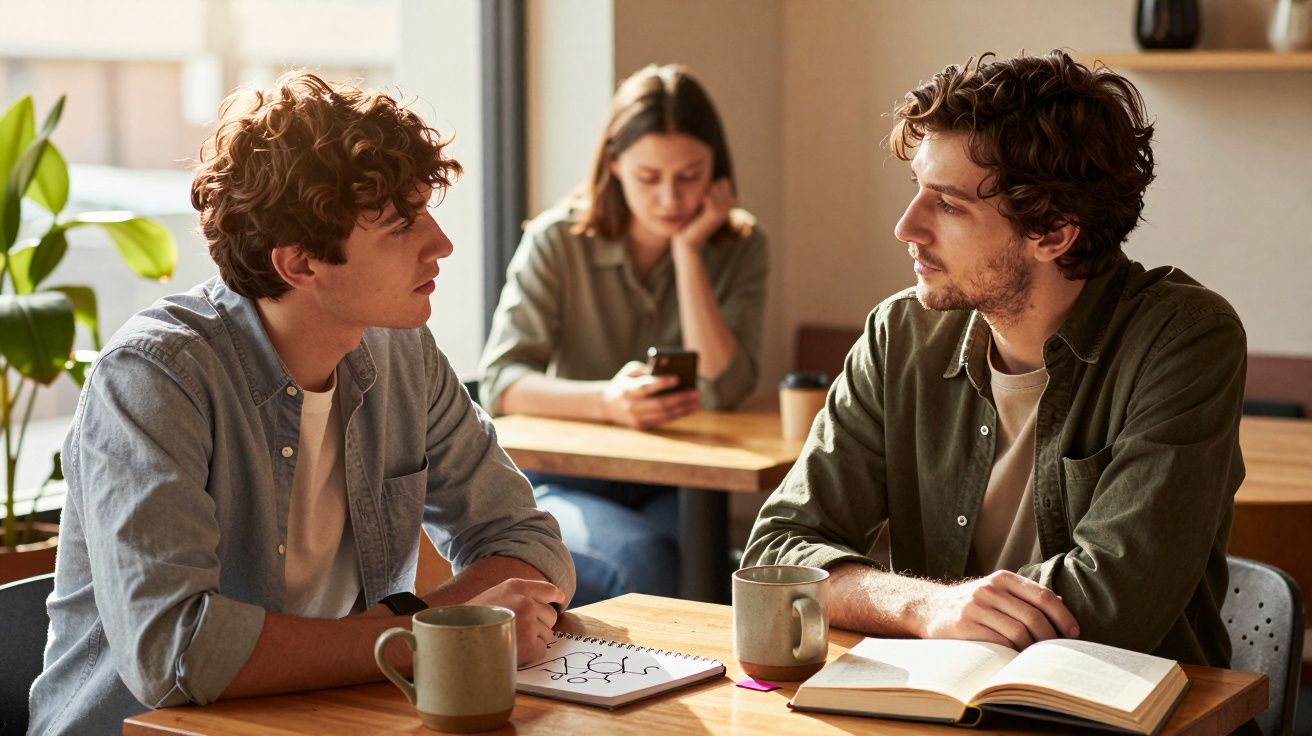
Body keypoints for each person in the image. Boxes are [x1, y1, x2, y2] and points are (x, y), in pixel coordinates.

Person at [27, 72, 575, 735]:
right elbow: (177, 654)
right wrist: (433, 633)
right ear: (300, 264)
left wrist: (413, 633)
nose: (441, 244)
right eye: (401, 226)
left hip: (322, 720)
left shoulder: (404, 353)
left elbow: (529, 544)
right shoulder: (154, 379)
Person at [743, 50, 1246, 669]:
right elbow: (775, 554)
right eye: (916, 191)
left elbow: (1117, 604)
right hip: (938, 703)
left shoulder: (1183, 339)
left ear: (1054, 233)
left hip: (1120, 711)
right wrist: (924, 607)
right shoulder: (900, 333)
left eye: (949, 205)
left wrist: (903, 604)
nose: (907, 227)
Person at [478, 64, 767, 604]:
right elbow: (501, 383)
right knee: (648, 561)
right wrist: (607, 402)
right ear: (613, 166)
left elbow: (726, 385)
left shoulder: (740, 246)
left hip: (678, 483)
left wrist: (688, 255)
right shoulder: (556, 240)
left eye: (690, 175)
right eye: (648, 178)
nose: (670, 199)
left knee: (727, 569)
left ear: (717, 171)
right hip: (561, 480)